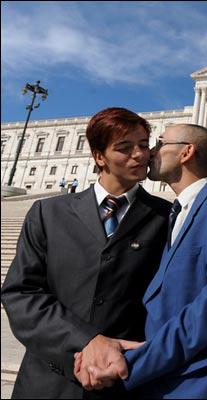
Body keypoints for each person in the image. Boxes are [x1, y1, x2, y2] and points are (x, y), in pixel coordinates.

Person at [77, 124, 207, 398]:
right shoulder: (173, 213)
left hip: (203, 380)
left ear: (186, 152)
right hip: (169, 374)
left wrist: (132, 364)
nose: (148, 152)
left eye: (160, 143)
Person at [1, 107, 172, 398]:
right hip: (49, 381)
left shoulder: (167, 216)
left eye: (144, 145)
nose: (140, 155)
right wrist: (86, 341)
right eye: (125, 147)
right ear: (99, 156)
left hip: (122, 379)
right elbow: (21, 293)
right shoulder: (48, 213)